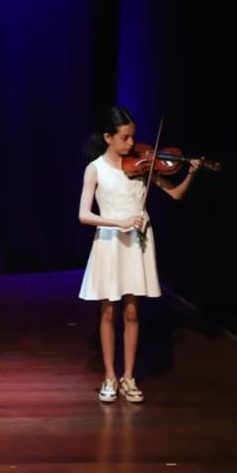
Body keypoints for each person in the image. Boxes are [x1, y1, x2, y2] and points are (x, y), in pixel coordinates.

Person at [78, 106, 201, 404]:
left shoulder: (142, 166)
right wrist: (117, 221)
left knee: (132, 311)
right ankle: (109, 376)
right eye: (125, 138)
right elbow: (83, 215)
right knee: (109, 310)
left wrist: (191, 174)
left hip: (136, 242)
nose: (132, 144)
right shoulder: (96, 168)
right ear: (108, 137)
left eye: (133, 137)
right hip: (110, 241)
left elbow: (175, 194)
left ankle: (128, 377)